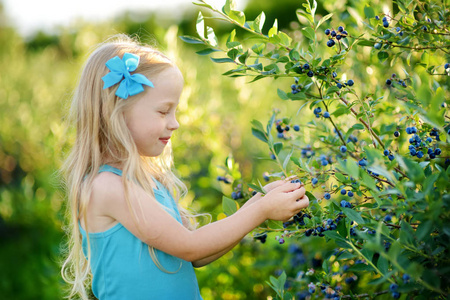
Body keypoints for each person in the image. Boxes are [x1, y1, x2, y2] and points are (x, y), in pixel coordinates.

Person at [60, 34, 310, 300]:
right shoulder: (106, 187)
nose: (174, 123)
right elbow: (192, 247)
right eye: (163, 111)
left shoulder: (146, 179)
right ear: (118, 112)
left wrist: (260, 201)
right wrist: (261, 209)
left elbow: (198, 255)